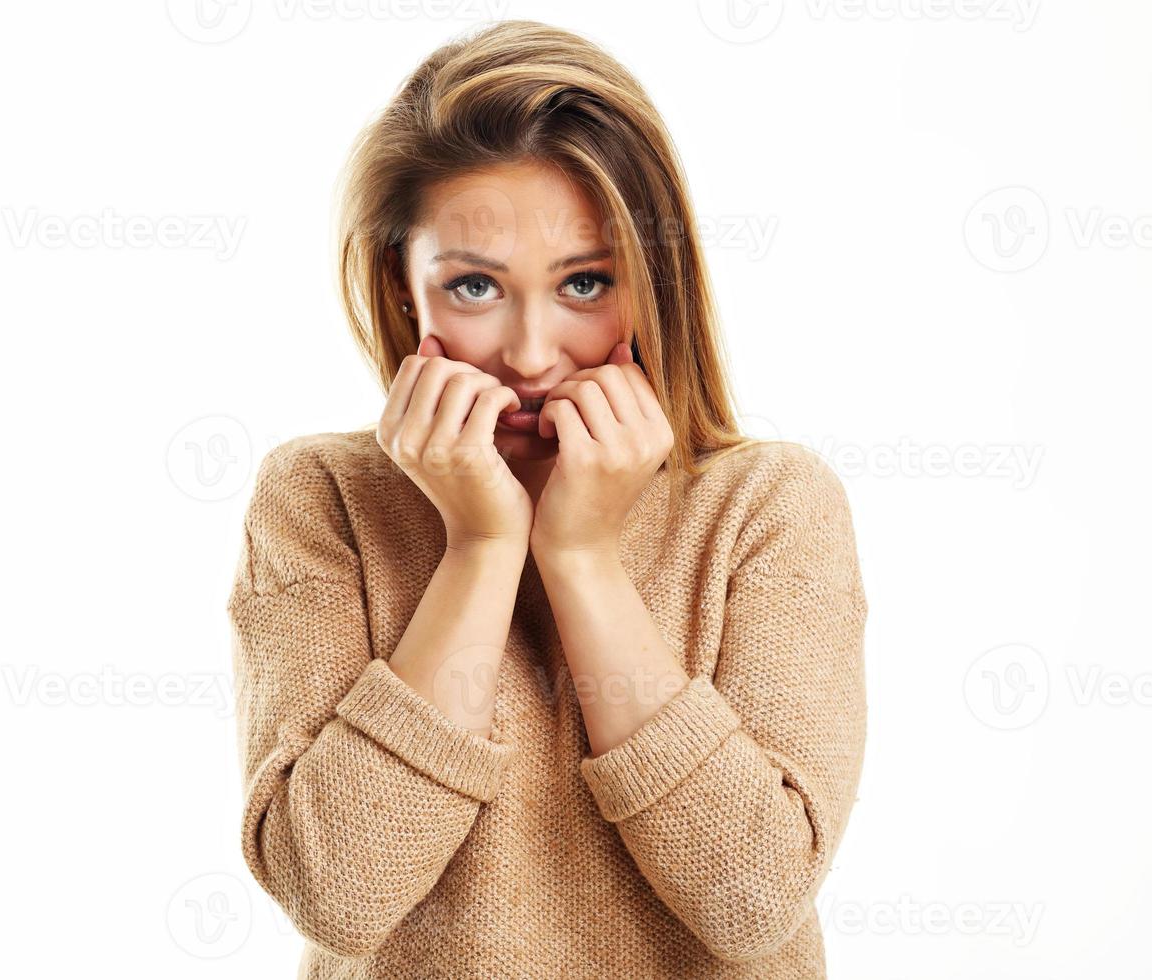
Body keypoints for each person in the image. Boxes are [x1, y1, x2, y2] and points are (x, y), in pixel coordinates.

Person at [228, 19, 868, 978]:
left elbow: (756, 899)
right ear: (405, 291)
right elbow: (335, 894)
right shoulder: (321, 500)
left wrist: (580, 556)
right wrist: (482, 548)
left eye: (584, 282)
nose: (530, 354)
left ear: (656, 282)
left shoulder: (769, 507)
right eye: (476, 286)